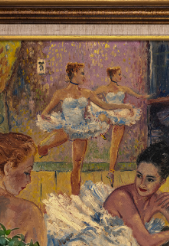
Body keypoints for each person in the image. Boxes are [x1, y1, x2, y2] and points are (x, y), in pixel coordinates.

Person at [36, 62, 134, 195]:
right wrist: (46, 116)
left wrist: (125, 107)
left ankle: (75, 196)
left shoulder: (87, 93)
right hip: (66, 126)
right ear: (74, 73)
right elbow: (45, 111)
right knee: (43, 146)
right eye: (82, 73)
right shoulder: (60, 93)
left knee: (77, 164)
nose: (84, 76)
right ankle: (43, 149)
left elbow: (105, 105)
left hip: (81, 128)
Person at [93, 66, 148, 186]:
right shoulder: (104, 88)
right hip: (108, 111)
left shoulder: (123, 88)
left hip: (120, 115)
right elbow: (91, 96)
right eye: (118, 74)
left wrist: (146, 97)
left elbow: (138, 96)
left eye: (120, 74)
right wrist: (102, 105)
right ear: (112, 76)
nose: (120, 77)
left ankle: (111, 172)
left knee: (115, 145)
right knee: (102, 117)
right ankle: (101, 129)